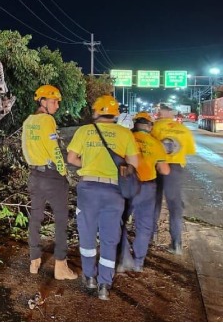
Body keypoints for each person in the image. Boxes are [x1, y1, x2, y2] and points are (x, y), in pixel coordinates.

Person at [66, 95, 139, 300]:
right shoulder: (125, 134)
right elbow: (134, 165)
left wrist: (89, 164)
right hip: (114, 192)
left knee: (87, 235)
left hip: (88, 189)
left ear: (97, 112)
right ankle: (104, 285)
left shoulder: (84, 131)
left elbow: (71, 158)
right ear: (115, 114)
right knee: (109, 239)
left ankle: (89, 277)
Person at [21, 85, 77, 280]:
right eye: (54, 101)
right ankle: (61, 266)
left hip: (34, 175)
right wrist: (64, 173)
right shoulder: (47, 120)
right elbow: (54, 150)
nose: (57, 105)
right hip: (52, 176)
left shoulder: (28, 121)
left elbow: (25, 148)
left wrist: (32, 166)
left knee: (35, 218)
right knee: (61, 220)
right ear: (43, 102)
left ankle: (34, 260)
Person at [117, 112, 169, 272]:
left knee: (119, 221)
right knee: (144, 225)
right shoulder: (156, 143)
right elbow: (165, 170)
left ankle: (124, 258)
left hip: (127, 185)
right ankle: (138, 262)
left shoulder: (125, 138)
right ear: (149, 126)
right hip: (147, 188)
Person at [151, 116, 197, 255]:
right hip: (175, 169)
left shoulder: (157, 127)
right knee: (175, 205)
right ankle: (176, 243)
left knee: (154, 201)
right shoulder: (184, 130)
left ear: (160, 112)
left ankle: (150, 236)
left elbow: (149, 144)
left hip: (157, 165)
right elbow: (189, 150)